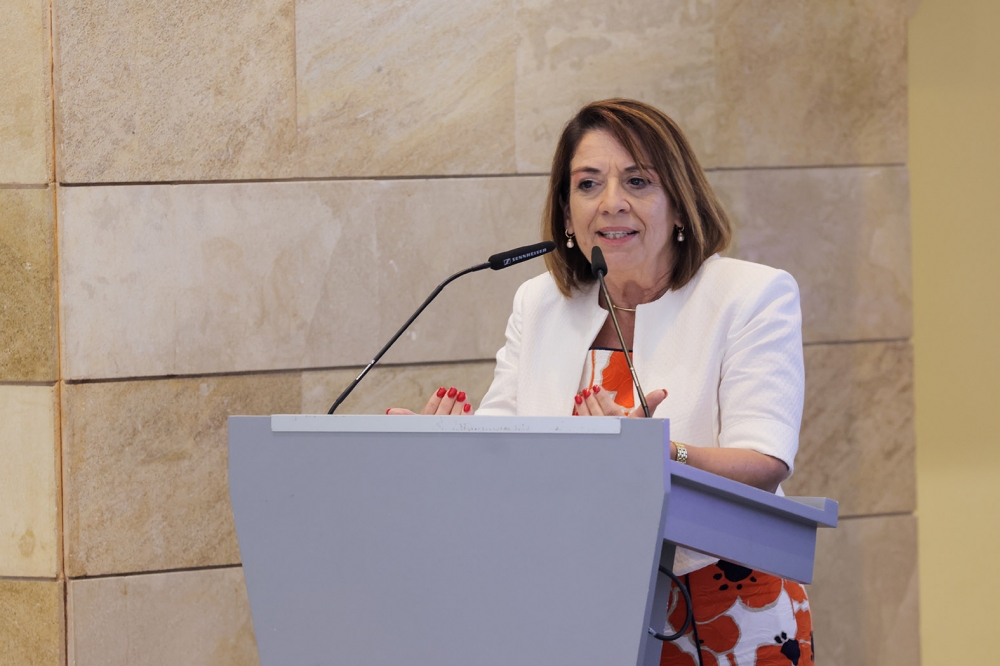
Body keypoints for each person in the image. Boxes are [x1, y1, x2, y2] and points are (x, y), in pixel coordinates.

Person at [391, 99, 812, 665]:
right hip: (579, 601)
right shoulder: (539, 303)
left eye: (638, 181)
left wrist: (661, 452)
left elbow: (765, 459)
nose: (611, 202)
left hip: (726, 599)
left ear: (680, 203)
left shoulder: (750, 295)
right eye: (588, 184)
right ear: (567, 215)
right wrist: (443, 444)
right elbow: (503, 434)